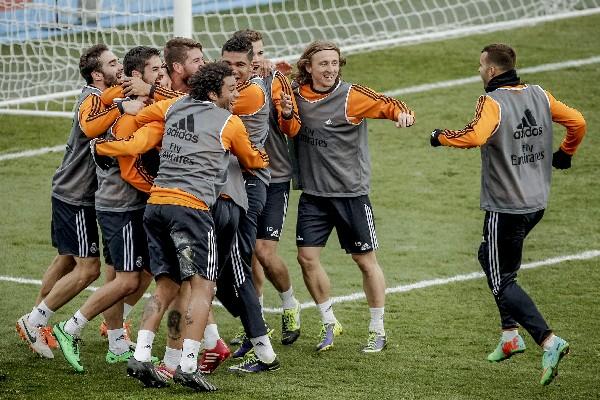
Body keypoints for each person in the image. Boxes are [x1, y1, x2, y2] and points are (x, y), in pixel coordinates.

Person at [102, 61, 269, 391]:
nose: (236, 93)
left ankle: (143, 355)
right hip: (191, 209)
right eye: (230, 89)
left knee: (165, 288)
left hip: (156, 205)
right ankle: (190, 364)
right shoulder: (230, 123)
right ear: (212, 92)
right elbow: (251, 160)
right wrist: (260, 155)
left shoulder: (173, 105)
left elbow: (144, 116)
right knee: (203, 288)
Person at [429, 43, 586, 385]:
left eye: (480, 66)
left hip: (506, 207)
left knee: (503, 280)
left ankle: (548, 340)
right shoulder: (540, 95)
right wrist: (565, 153)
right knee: (488, 256)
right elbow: (578, 122)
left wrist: (440, 137)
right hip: (536, 204)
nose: (479, 71)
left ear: (491, 70)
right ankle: (509, 335)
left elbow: (475, 136)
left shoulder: (492, 101)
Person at [15, 44, 143, 359]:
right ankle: (36, 320)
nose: (120, 66)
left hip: (80, 195)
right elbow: (90, 126)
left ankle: (40, 321)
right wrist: (122, 109)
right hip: (76, 196)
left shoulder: (106, 96)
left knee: (68, 260)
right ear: (97, 74)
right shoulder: (91, 99)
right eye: (113, 63)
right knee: (88, 270)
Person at [292, 40, 415, 353]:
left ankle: (378, 329)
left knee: (364, 261)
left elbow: (389, 104)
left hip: (350, 195)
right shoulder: (296, 96)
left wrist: (403, 114)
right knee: (306, 258)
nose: (331, 69)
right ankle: (329, 321)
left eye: (335, 63)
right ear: (308, 66)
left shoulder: (351, 96)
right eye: (323, 63)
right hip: (314, 195)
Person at [51, 46, 166, 373]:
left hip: (117, 204)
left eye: (161, 68)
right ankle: (68, 326)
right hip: (122, 206)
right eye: (154, 69)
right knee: (128, 279)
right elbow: (130, 167)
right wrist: (163, 190)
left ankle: (117, 341)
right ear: (136, 75)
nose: (159, 75)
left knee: (123, 275)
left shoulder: (125, 102)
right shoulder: (128, 112)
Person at [233, 28, 303, 346]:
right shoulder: (228, 83)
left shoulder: (275, 80)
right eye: (254, 55)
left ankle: (289, 303)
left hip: (273, 176)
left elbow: (293, 127)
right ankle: (256, 324)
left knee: (264, 250)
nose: (259, 59)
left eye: (261, 53)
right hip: (239, 176)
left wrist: (287, 114)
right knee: (246, 253)